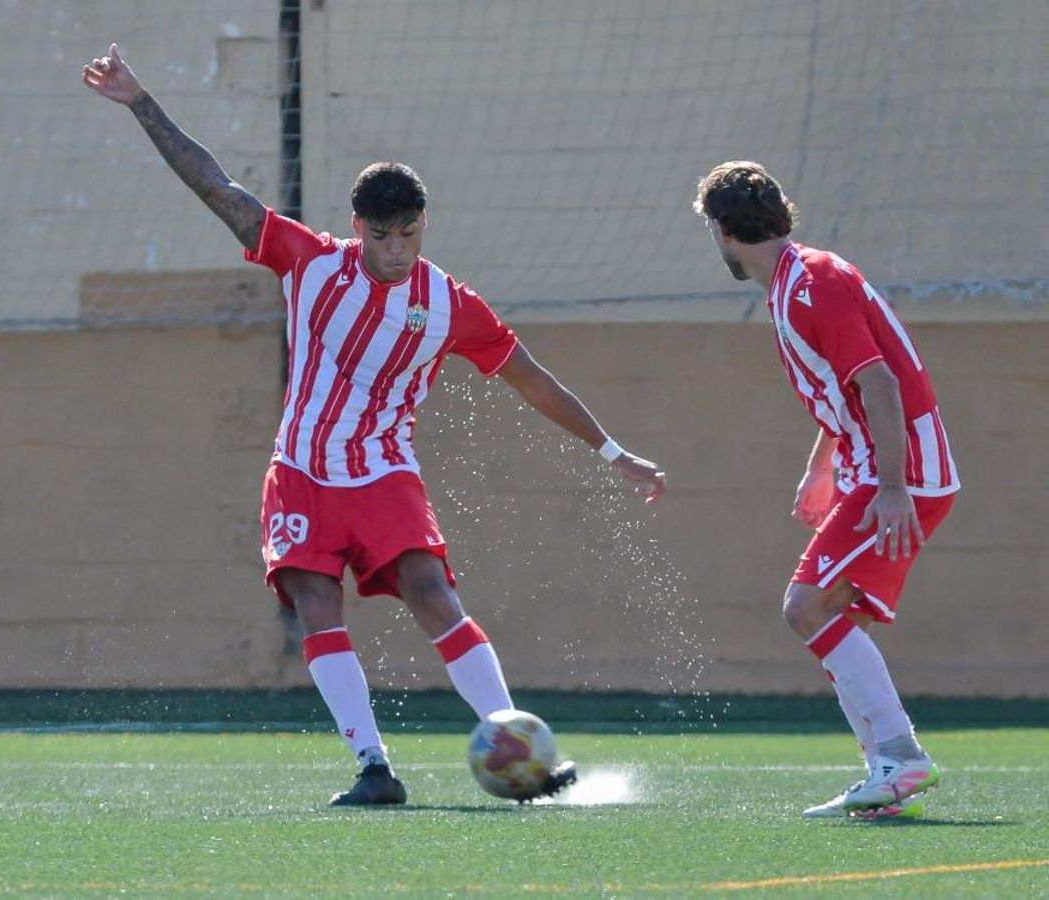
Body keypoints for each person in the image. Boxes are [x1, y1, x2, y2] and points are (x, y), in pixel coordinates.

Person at [84, 45, 667, 805]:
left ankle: (518, 744)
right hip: (299, 468)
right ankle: (373, 767)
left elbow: (533, 380)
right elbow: (216, 186)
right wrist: (140, 102)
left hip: (384, 471)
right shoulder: (308, 261)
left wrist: (612, 449)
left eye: (411, 235)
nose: (397, 251)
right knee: (315, 603)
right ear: (359, 226)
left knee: (432, 592)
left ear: (424, 228)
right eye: (384, 235)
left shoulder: (452, 304)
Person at [692, 161, 959, 820]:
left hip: (899, 473)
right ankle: (885, 778)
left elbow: (881, 385)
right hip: (876, 467)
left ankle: (900, 757)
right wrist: (822, 464)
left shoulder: (813, 283)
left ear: (722, 232)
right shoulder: (796, 280)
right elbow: (848, 391)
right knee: (835, 618)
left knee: (804, 606)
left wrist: (893, 486)